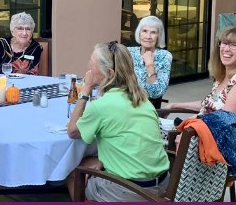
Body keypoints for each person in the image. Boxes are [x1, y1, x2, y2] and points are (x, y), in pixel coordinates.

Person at [66, 41, 169, 202]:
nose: (88, 67)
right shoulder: (142, 98)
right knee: (90, 161)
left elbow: (72, 131)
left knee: (73, 172)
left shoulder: (101, 106)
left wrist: (85, 89)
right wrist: (101, 160)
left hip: (130, 190)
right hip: (162, 184)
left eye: (92, 64)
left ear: (110, 73)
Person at [164, 27, 236, 122]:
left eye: (233, 45)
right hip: (200, 130)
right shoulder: (222, 76)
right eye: (224, 43)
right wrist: (174, 105)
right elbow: (207, 104)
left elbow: (225, 119)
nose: (226, 49)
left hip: (215, 135)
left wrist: (193, 122)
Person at [127, 16, 172, 101]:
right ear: (139, 33)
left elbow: (155, 93)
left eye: (153, 32)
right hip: (124, 101)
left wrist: (149, 64)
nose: (148, 36)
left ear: (159, 36)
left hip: (146, 105)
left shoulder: (164, 56)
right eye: (144, 31)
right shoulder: (128, 52)